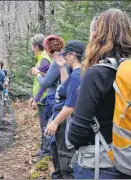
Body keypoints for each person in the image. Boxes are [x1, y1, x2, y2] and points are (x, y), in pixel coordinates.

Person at [68, 8, 131, 179]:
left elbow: (77, 133)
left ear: (96, 36)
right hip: (130, 160)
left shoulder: (96, 74)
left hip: (100, 165)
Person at [31, 35, 70, 179]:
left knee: (55, 136)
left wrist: (37, 74)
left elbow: (46, 82)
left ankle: (58, 172)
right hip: (63, 101)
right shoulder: (65, 58)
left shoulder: (56, 61)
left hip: (56, 101)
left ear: (48, 49)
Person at [44, 40, 85, 179]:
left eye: (66, 55)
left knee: (66, 161)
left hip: (66, 123)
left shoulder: (77, 76)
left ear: (73, 55)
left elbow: (71, 106)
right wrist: (61, 67)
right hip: (62, 120)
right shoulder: (75, 74)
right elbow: (65, 88)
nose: (64, 57)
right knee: (59, 155)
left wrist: (55, 122)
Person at [28, 34, 52, 158]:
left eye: (32, 46)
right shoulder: (41, 58)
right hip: (41, 98)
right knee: (43, 125)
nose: (32, 49)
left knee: (45, 125)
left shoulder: (44, 59)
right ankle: (44, 149)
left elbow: (45, 83)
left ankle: (46, 152)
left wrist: (36, 99)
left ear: (37, 46)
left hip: (45, 98)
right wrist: (33, 97)